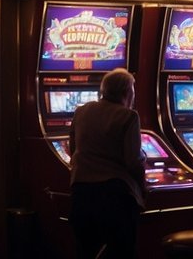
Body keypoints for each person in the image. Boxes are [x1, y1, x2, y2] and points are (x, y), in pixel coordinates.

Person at [68, 67, 145, 259]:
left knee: (86, 252)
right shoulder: (128, 116)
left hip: (80, 194)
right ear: (127, 92)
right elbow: (133, 161)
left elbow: (73, 149)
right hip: (114, 197)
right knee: (121, 253)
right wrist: (143, 188)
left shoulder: (81, 111)